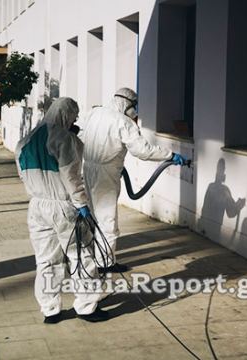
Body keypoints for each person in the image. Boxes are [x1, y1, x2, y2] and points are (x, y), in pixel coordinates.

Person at [15, 97, 108, 324]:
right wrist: (81, 204)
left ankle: (50, 309)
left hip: (37, 205)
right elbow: (71, 175)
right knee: (81, 255)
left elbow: (21, 173)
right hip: (63, 205)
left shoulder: (25, 140)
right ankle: (86, 307)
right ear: (67, 115)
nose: (74, 121)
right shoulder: (63, 138)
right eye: (74, 117)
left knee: (46, 259)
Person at [80, 88, 188, 273]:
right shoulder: (123, 122)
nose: (135, 111)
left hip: (88, 168)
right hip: (106, 174)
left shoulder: (95, 113)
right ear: (126, 104)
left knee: (92, 216)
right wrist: (170, 154)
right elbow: (142, 151)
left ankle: (90, 257)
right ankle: (105, 263)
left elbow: (81, 137)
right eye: (133, 107)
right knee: (107, 220)